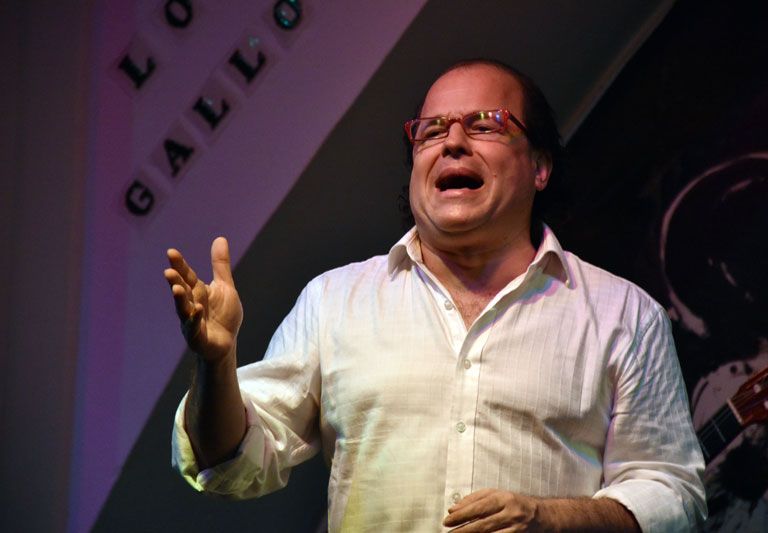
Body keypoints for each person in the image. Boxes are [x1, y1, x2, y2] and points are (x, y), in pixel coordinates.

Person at [166, 59, 706, 532]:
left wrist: (552, 521)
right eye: (431, 130)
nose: (452, 142)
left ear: (540, 167)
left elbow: (672, 494)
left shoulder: (624, 315)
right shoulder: (335, 300)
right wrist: (218, 364)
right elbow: (230, 464)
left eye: (484, 124)